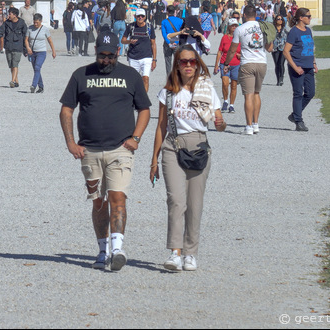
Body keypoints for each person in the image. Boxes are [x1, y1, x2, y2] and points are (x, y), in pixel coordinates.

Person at [59, 30, 152, 271]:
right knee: (98, 202)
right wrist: (70, 142)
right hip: (89, 149)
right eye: (102, 55)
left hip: (120, 148)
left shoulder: (130, 76)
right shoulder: (81, 75)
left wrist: (136, 138)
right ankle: (102, 250)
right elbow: (66, 109)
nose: (106, 60)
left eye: (111, 56)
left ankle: (118, 248)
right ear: (96, 51)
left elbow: (144, 109)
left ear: (118, 53)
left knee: (117, 196)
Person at [148, 46, 227, 272]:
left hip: (199, 147)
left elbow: (219, 122)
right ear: (177, 65)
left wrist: (221, 125)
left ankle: (190, 253)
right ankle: (175, 252)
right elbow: (161, 126)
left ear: (198, 63)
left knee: (194, 204)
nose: (189, 66)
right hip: (173, 147)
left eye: (192, 62)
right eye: (184, 62)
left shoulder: (207, 90)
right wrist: (154, 159)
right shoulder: (168, 92)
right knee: (176, 200)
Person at [230, 6, 272, 135]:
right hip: (261, 63)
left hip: (247, 62)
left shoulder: (240, 29)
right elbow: (269, 48)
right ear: (256, 14)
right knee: (256, 93)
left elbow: (233, 49)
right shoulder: (264, 27)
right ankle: (255, 124)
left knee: (248, 95)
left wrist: (227, 62)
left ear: (244, 15)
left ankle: (248, 127)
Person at [283, 7, 317, 132]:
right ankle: (298, 121)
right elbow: (286, 52)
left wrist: (314, 63)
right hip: (297, 66)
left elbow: (310, 48)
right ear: (301, 18)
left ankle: (294, 114)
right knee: (298, 93)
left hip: (308, 66)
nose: (310, 18)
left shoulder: (308, 31)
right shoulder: (294, 32)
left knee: (310, 93)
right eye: (308, 16)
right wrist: (295, 67)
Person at [122, 9, 158, 93]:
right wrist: (129, 41)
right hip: (133, 57)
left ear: (145, 17)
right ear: (135, 17)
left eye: (142, 16)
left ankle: (144, 99)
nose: (140, 18)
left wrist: (154, 60)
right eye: (138, 16)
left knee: (145, 78)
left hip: (146, 57)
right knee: (133, 79)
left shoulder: (149, 27)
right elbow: (123, 40)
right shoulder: (131, 27)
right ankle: (134, 96)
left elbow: (153, 44)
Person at [214, 16, 241, 114]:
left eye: (236, 26)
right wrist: (216, 65)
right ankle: (225, 101)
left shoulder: (240, 38)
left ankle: (232, 105)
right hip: (224, 63)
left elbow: (245, 51)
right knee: (225, 83)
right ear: (229, 27)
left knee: (234, 85)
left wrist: (240, 55)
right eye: (232, 26)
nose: (234, 27)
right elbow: (219, 52)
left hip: (236, 64)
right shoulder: (224, 38)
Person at [26, 12, 57, 93]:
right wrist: (28, 48)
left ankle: (33, 85)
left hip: (41, 52)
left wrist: (53, 51)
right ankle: (41, 87)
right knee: (36, 70)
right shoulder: (30, 28)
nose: (35, 24)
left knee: (37, 67)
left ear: (41, 21)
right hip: (32, 52)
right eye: (34, 22)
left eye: (37, 22)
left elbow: (50, 41)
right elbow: (26, 39)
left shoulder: (45, 29)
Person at [2, 7, 29, 88]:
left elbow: (25, 36)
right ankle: (16, 81)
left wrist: (26, 48)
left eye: (10, 14)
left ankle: (12, 81)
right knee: (11, 65)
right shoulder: (7, 23)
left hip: (18, 46)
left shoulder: (22, 23)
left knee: (15, 64)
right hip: (8, 46)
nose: (8, 15)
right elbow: (1, 30)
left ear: (15, 15)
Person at [270, 14, 288, 86]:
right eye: (278, 19)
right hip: (275, 48)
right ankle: (278, 79)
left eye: (281, 19)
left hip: (283, 48)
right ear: (275, 20)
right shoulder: (273, 29)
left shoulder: (285, 29)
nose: (280, 20)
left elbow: (288, 38)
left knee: (281, 63)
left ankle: (281, 78)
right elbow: (270, 38)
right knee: (277, 64)